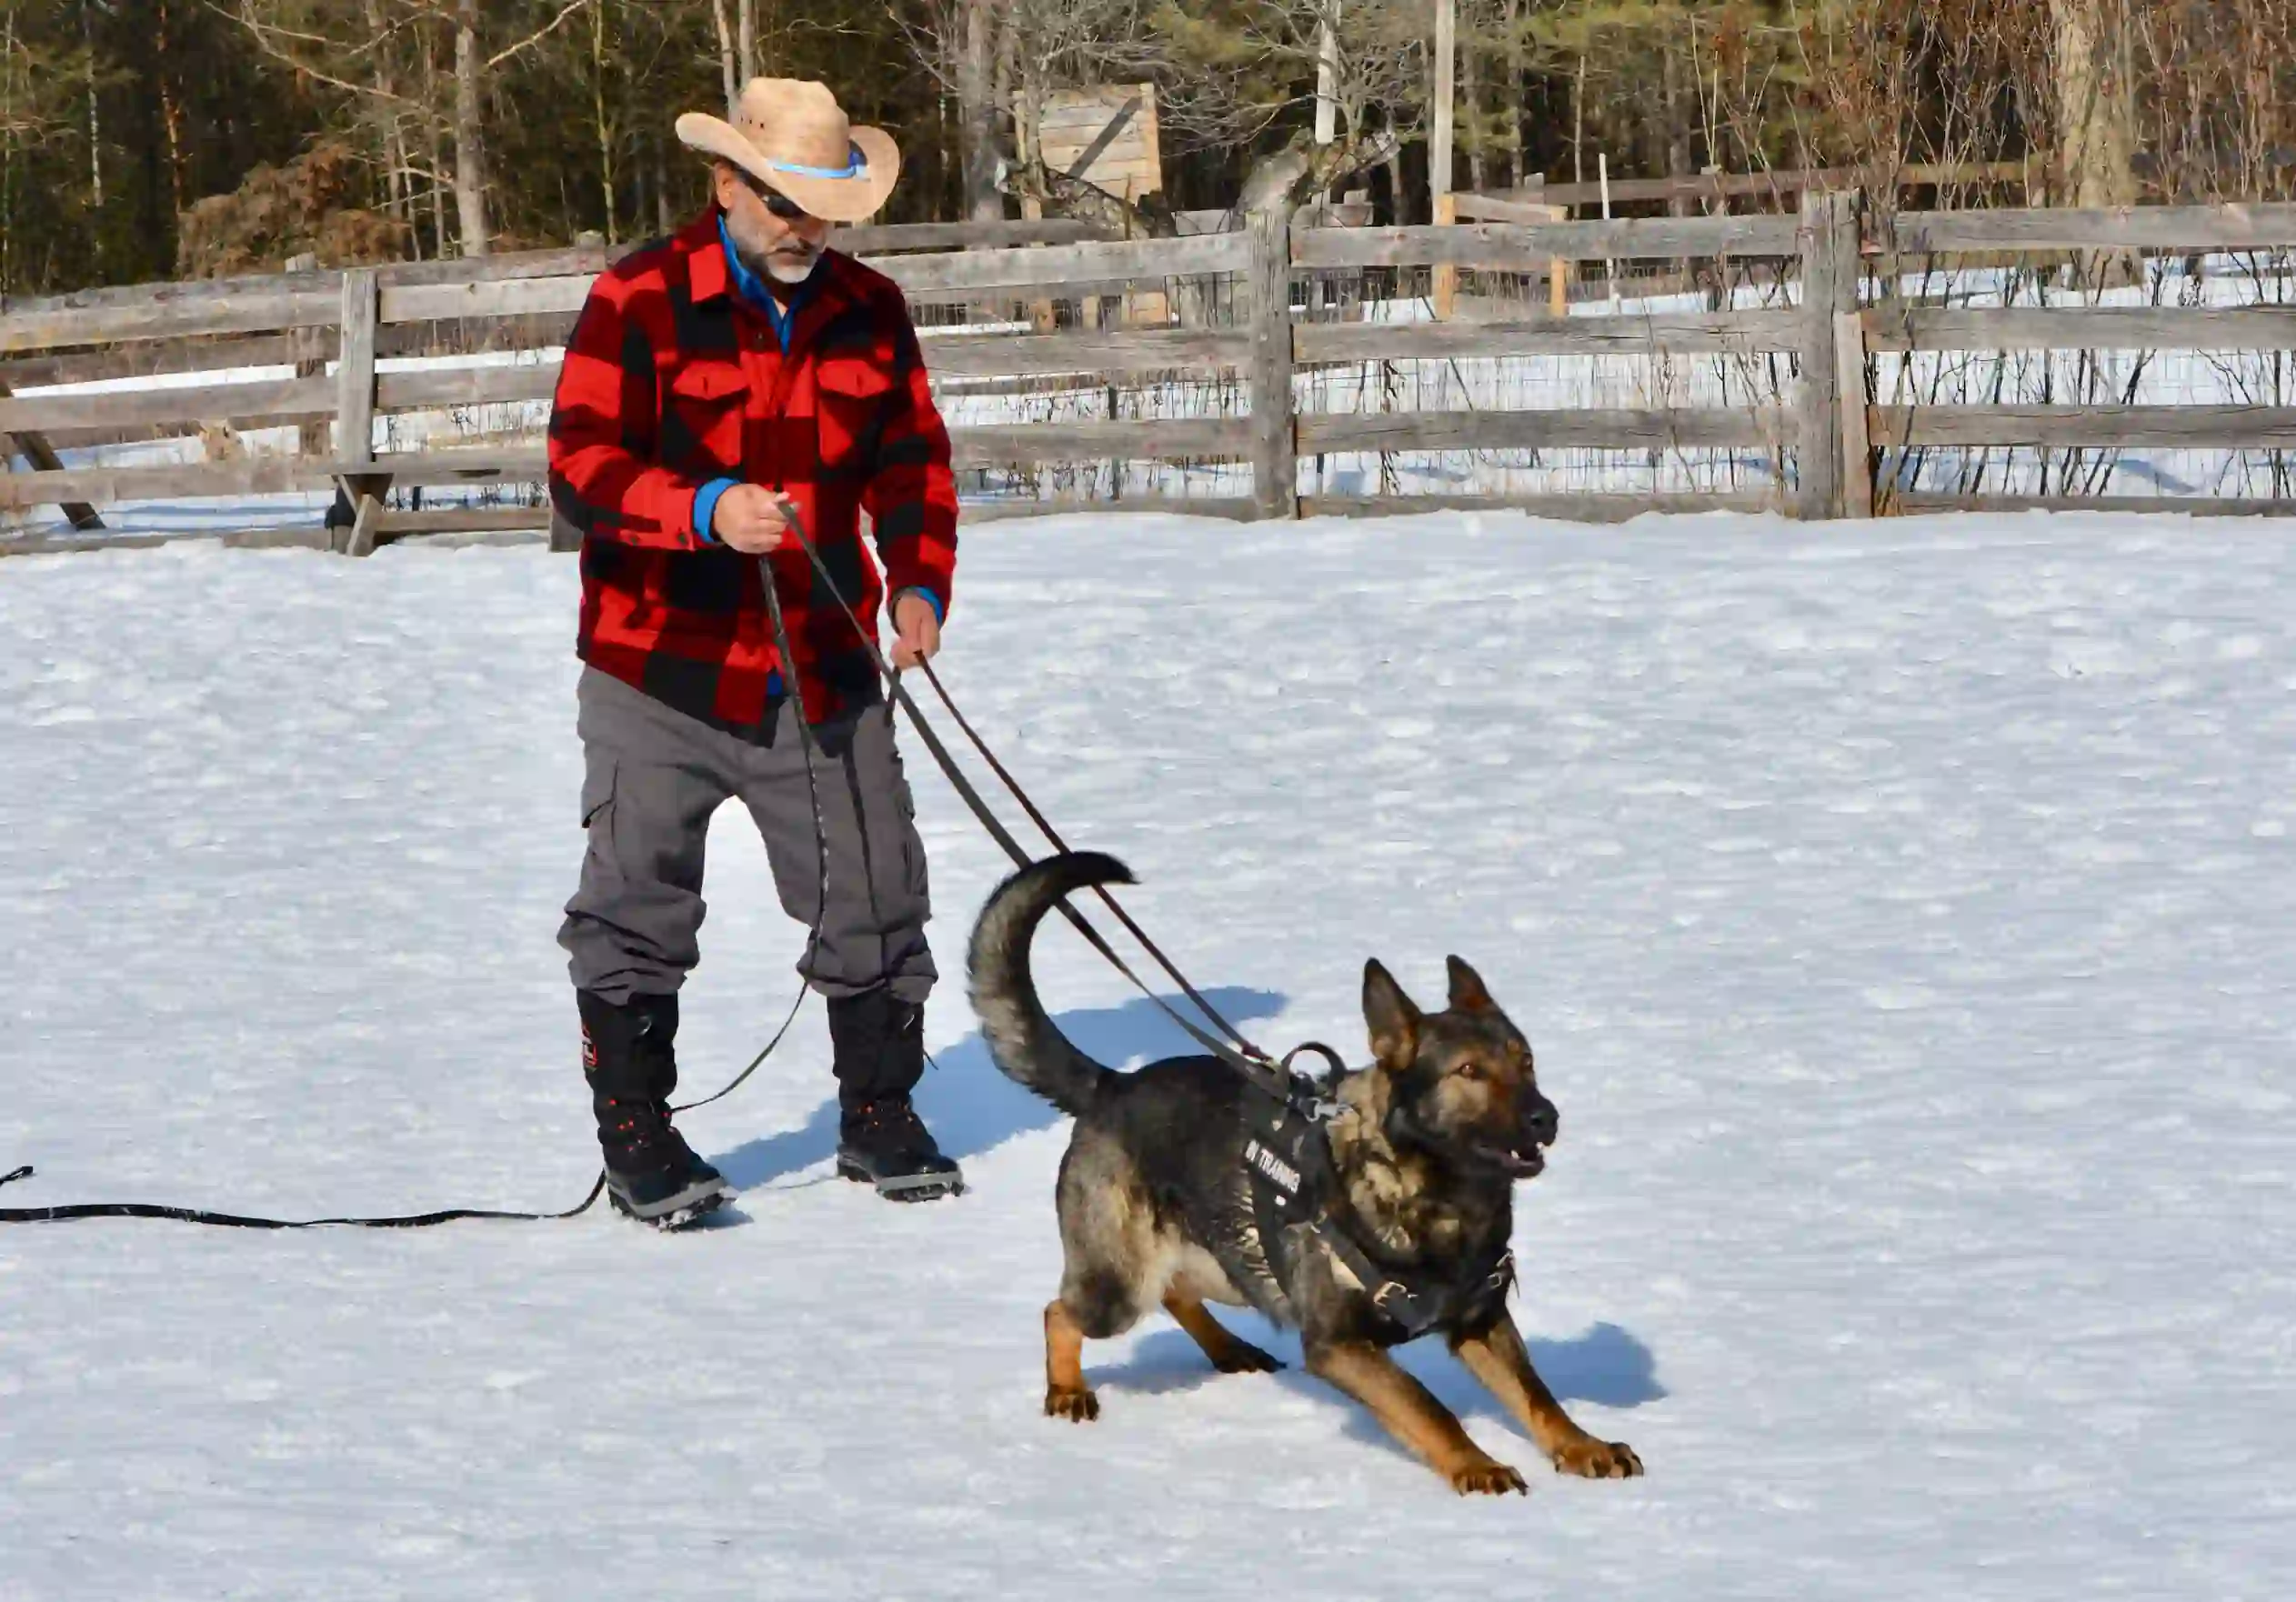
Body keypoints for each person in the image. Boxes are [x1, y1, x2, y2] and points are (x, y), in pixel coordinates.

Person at [546, 77, 962, 1227]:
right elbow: (577, 465)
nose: (802, 227)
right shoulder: (637, 299)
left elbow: (913, 464)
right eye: (781, 200)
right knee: (634, 901)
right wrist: (700, 509)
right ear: (725, 183)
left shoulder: (870, 309)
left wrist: (919, 581)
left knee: (876, 884)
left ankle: (879, 1112)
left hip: (820, 661)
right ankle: (638, 1135)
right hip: (655, 661)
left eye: (823, 205)